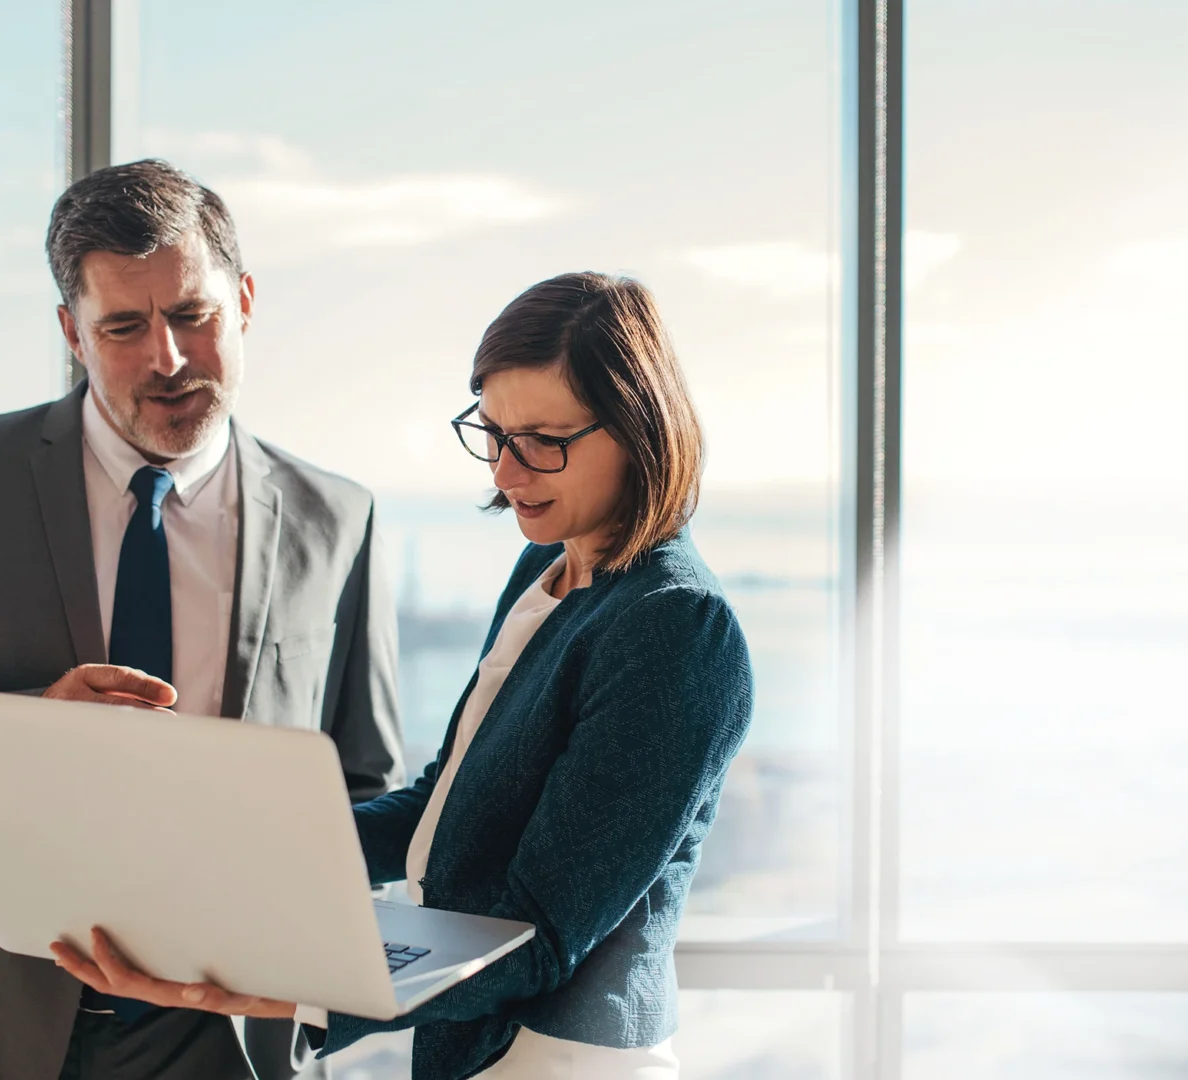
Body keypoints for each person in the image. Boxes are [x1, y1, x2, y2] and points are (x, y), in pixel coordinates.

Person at [0, 159, 404, 1080]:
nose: (169, 358)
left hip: (220, 1040)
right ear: (72, 332)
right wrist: (28, 735)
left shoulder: (338, 517)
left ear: (248, 300)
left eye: (195, 315)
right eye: (123, 326)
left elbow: (361, 788)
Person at [56, 272, 755, 1079]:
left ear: (640, 429)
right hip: (477, 1052)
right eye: (492, 433)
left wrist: (283, 983)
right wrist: (232, 847)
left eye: (543, 441)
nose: (504, 472)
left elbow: (540, 936)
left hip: (567, 1059)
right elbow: (441, 806)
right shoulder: (546, 571)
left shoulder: (676, 626)